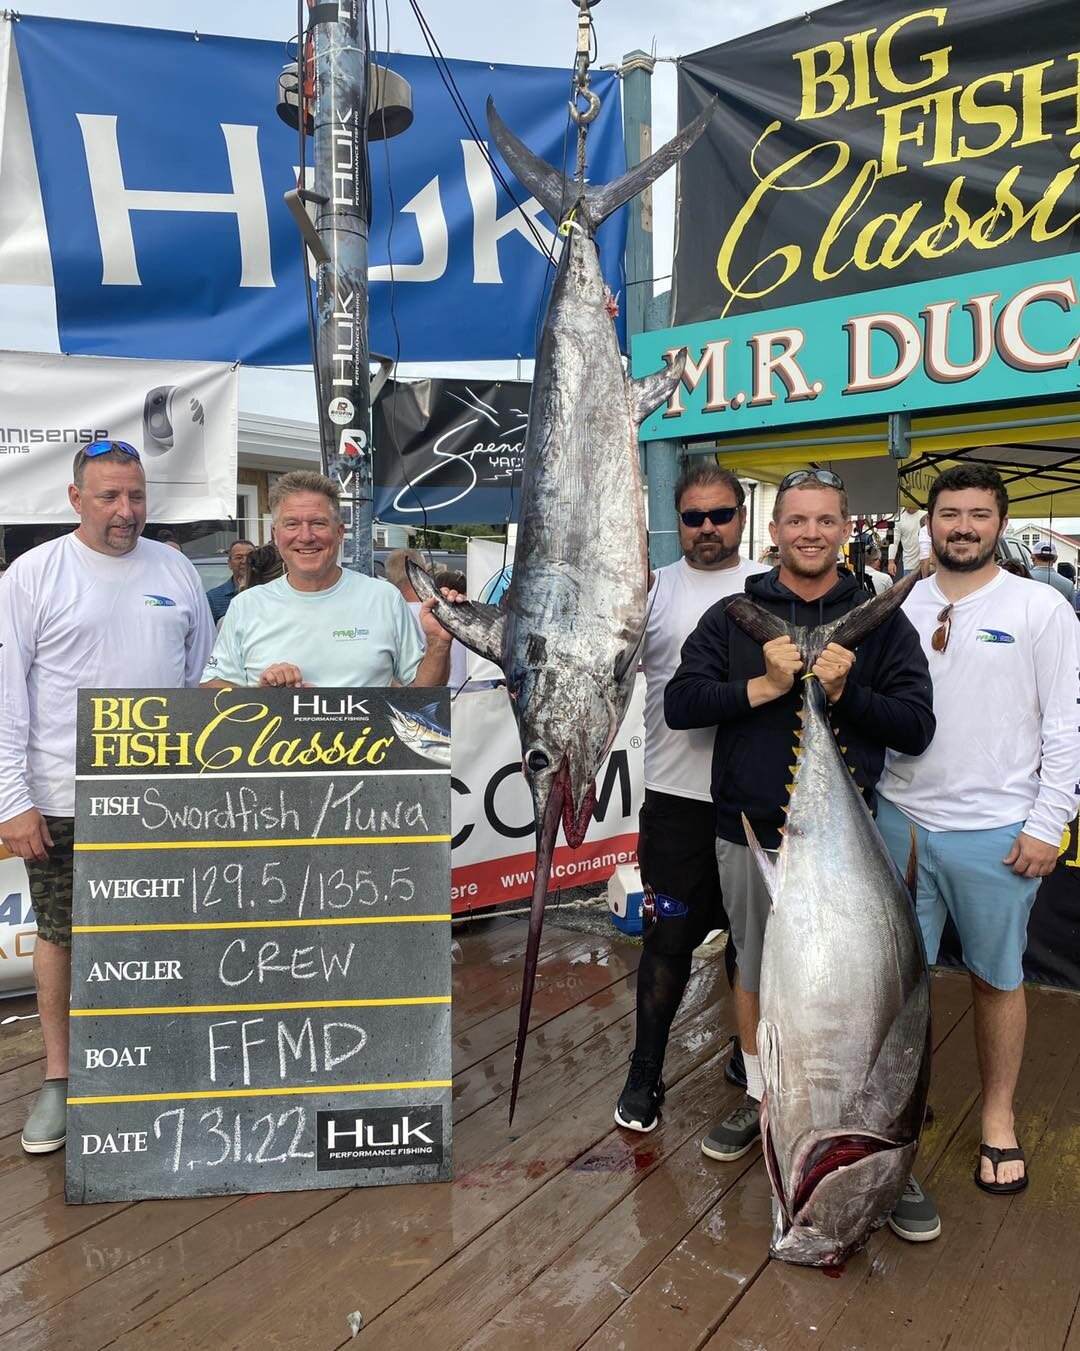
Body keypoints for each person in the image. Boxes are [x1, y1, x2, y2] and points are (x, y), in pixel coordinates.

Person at [665, 468, 940, 1243]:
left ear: (845, 528)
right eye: (796, 520)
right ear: (774, 529)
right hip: (750, 828)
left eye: (825, 520)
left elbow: (917, 725)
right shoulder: (731, 615)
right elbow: (682, 705)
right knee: (757, 972)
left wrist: (848, 694)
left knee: (877, 993)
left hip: (851, 842)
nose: (810, 532)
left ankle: (889, 1150)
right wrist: (762, 685)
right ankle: (764, 1103)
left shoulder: (879, 620)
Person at [0, 439, 214, 1155]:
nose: (125, 512)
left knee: (163, 930)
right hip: (64, 795)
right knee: (62, 935)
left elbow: (202, 677)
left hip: (165, 792)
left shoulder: (176, 567)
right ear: (74, 500)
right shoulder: (32, 574)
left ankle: (157, 1065)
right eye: (108, 497)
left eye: (136, 495)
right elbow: (6, 697)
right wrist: (13, 798)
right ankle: (60, 1077)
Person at [876, 463, 1080, 1197]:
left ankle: (998, 1118)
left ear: (1001, 524)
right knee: (899, 982)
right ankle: (898, 1099)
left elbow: (1065, 724)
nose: (963, 526)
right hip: (897, 819)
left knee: (997, 980)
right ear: (928, 522)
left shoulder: (1040, 607)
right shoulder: (896, 602)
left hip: (994, 831)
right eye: (950, 513)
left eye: (978, 514)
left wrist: (1048, 822)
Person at [614, 464, 768, 1133]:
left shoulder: (772, 586)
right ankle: (646, 1070)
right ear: (677, 521)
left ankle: (748, 1053)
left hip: (755, 801)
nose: (708, 528)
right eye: (694, 517)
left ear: (742, 515)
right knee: (666, 937)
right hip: (675, 799)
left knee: (751, 941)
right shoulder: (648, 592)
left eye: (721, 514)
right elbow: (605, 667)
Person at [201, 471, 454, 688]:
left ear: (340, 532)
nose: (306, 536)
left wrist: (438, 644)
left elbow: (421, 694)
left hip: (369, 746)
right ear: (275, 534)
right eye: (292, 524)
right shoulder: (246, 606)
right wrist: (262, 695)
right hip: (276, 745)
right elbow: (212, 686)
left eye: (318, 523)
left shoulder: (383, 598)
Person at [206, 538, 256, 623]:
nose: (244, 561)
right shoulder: (213, 598)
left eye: (249, 556)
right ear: (229, 563)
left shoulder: (266, 593)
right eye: (239, 557)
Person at [889, 504, 922, 578]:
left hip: (926, 562)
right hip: (909, 565)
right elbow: (894, 542)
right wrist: (891, 561)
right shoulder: (899, 520)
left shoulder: (925, 515)